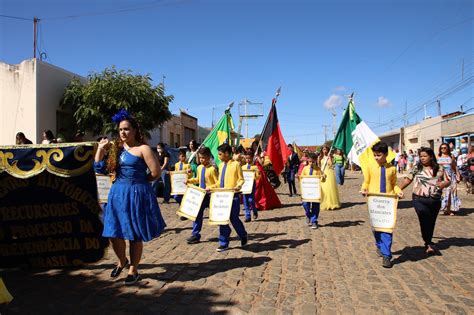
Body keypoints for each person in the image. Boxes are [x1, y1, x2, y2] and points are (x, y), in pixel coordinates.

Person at [94, 110, 166, 285]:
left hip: (135, 194)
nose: (123, 133)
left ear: (134, 130)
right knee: (112, 232)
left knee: (134, 234)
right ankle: (122, 260)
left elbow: (156, 173)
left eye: (126, 129)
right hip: (117, 194)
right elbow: (98, 168)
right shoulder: (115, 150)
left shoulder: (143, 149)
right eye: (120, 130)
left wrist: (139, 183)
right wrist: (100, 150)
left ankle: (133, 269)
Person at [399, 147, 450, 255]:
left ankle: (428, 241)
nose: (422, 158)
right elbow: (407, 180)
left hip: (435, 199)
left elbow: (448, 181)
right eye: (421, 156)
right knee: (424, 217)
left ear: (431, 156)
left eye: (425, 156)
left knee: (431, 222)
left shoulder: (440, 168)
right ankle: (428, 242)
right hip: (419, 199)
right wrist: (397, 190)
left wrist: (444, 184)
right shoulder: (417, 168)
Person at [360, 141, 403, 268]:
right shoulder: (370, 167)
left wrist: (399, 192)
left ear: (385, 155)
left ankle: (386, 255)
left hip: (388, 203)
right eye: (374, 155)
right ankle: (379, 245)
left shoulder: (392, 169)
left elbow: (394, 184)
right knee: (376, 228)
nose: (376, 158)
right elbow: (366, 182)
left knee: (387, 229)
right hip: (374, 203)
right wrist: (364, 189)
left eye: (378, 155)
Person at [209, 143, 248, 252]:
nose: (219, 156)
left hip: (233, 197)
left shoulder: (236, 164)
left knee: (234, 219)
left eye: (220, 154)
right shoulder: (220, 165)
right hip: (221, 197)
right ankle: (223, 242)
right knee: (222, 219)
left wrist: (238, 186)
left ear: (227, 153)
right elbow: (219, 182)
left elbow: (241, 179)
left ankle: (243, 234)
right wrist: (211, 187)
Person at [186, 146, 218, 244]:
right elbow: (198, 180)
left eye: (203, 158)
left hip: (210, 195)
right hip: (201, 195)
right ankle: (195, 234)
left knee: (216, 215)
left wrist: (210, 188)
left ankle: (224, 233)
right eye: (200, 158)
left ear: (209, 157)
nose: (201, 160)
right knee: (197, 214)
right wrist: (189, 180)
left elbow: (218, 183)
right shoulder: (199, 168)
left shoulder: (212, 169)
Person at [301, 153, 325, 229]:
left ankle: (314, 221)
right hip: (306, 191)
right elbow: (302, 178)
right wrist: (298, 177)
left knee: (316, 206)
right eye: (310, 161)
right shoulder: (305, 169)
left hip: (315, 191)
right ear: (308, 160)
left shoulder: (318, 169)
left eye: (313, 162)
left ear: (315, 161)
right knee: (305, 204)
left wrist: (324, 176)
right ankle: (308, 215)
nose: (311, 163)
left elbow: (322, 179)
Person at [437, 143, 461, 215]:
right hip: (443, 177)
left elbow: (454, 166)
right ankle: (443, 208)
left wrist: (458, 175)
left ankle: (449, 209)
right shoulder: (438, 157)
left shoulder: (451, 156)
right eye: (442, 148)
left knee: (452, 193)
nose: (443, 149)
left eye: (445, 148)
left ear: (448, 148)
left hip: (451, 177)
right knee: (444, 193)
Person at [318, 145, 340, 210]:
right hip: (322, 173)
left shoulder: (329, 157)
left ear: (327, 150)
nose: (324, 151)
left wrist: (329, 159)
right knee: (323, 188)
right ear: (322, 150)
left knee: (329, 188)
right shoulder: (320, 157)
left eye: (325, 149)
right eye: (323, 149)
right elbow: (319, 166)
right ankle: (324, 202)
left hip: (329, 173)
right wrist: (321, 173)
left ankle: (331, 203)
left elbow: (330, 165)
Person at [242, 149, 261, 222]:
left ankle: (254, 210)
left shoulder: (255, 167)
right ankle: (248, 216)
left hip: (252, 185)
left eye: (249, 158)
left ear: (252, 158)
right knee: (245, 201)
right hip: (244, 186)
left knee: (251, 200)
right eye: (246, 158)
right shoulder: (243, 167)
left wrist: (257, 174)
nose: (248, 160)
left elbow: (258, 177)